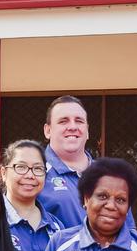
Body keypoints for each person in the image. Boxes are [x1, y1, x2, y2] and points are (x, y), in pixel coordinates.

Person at [0, 139, 63, 251]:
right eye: (21, 167)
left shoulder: (56, 227)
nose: (30, 175)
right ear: (3, 173)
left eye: (38, 168)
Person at [37, 96, 94, 228]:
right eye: (63, 121)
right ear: (47, 130)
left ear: (87, 131)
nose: (73, 127)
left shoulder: (109, 175)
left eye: (79, 121)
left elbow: (128, 231)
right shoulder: (33, 173)